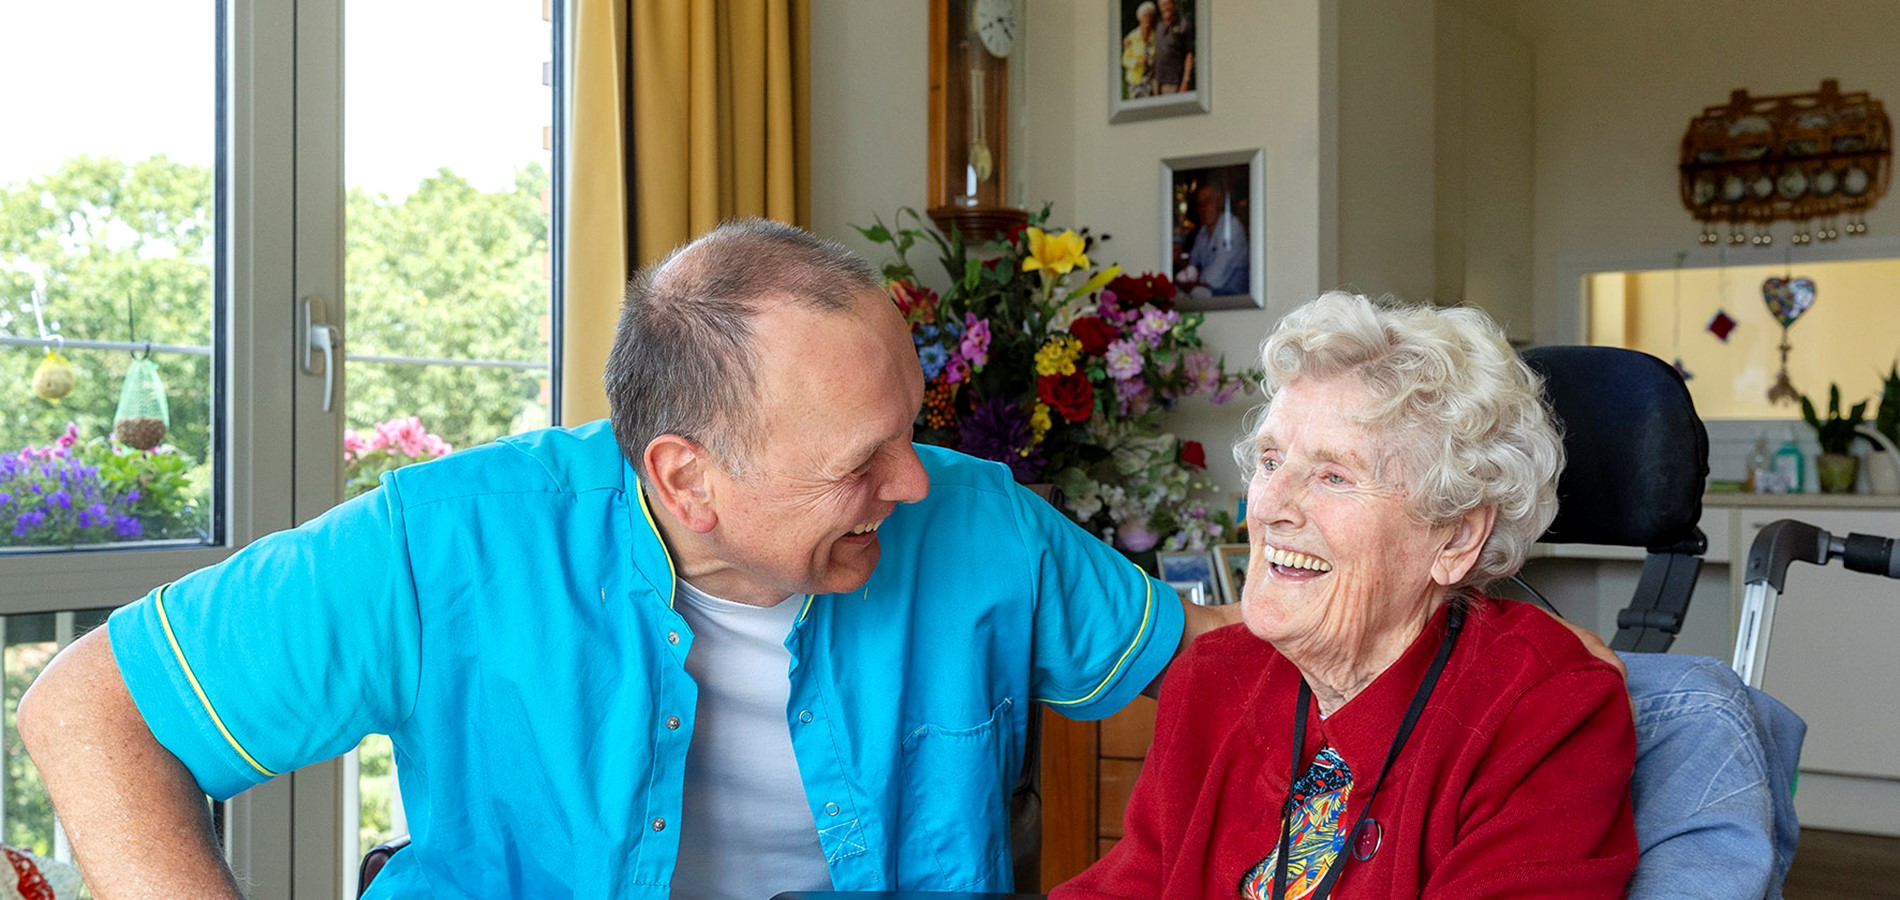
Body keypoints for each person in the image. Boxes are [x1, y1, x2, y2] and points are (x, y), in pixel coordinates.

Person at [18, 220, 1236, 899]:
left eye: (908, 431)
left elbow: (1226, 683)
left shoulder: (976, 523)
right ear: (683, 476)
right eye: (861, 460)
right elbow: (90, 706)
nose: (910, 483)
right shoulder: (451, 539)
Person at [1053, 292, 1639, 898]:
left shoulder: (1546, 716)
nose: (1271, 507)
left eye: (1335, 476)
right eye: (1271, 461)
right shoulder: (1211, 681)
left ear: (1456, 536)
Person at [1182, 180, 1249, 297]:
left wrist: (1192, 280)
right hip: (1212, 295)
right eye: (1199, 204)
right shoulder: (1203, 232)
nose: (1203, 208)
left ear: (1220, 202)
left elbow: (1215, 278)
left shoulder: (1231, 226)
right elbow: (1192, 264)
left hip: (1235, 300)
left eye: (1207, 201)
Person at [1151, 0, 1194, 95]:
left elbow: (1189, 54)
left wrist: (1185, 81)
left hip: (1173, 83)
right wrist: (1129, 40)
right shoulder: (1158, 24)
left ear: (1174, 4)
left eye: (1167, 3)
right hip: (1156, 80)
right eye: (1162, 5)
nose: (1165, 7)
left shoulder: (1184, 25)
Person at [1120, 2, 1158, 99]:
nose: (1147, 19)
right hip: (1135, 82)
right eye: (1144, 16)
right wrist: (1138, 61)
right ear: (1139, 18)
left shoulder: (1156, 37)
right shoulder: (1132, 37)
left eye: (1150, 16)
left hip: (1151, 81)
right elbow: (1125, 61)